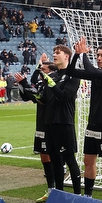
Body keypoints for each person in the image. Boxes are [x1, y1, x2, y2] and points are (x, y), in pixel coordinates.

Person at [68, 38, 102, 200]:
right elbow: (71, 71)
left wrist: (84, 54)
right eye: (97, 55)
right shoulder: (97, 74)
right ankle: (88, 196)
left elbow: (91, 72)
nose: (98, 58)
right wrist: (77, 55)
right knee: (88, 161)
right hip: (92, 124)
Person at [38, 46, 82, 195]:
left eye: (58, 53)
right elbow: (44, 99)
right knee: (55, 160)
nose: (54, 55)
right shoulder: (54, 75)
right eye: (54, 52)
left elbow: (63, 97)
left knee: (69, 159)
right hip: (49, 122)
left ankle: (77, 196)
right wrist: (27, 88)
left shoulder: (73, 76)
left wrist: (50, 83)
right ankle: (59, 195)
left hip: (64, 122)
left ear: (67, 56)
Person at [15, 61, 56, 202]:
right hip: (41, 123)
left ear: (50, 71)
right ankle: (51, 189)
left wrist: (26, 83)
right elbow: (29, 97)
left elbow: (43, 98)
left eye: (42, 69)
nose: (40, 72)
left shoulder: (52, 82)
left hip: (51, 122)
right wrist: (21, 84)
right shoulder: (40, 83)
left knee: (54, 156)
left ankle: (57, 190)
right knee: (44, 156)